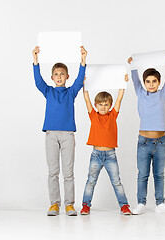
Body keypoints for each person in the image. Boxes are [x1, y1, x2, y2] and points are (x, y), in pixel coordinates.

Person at [32, 45, 87, 216]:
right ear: (52, 77)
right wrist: (35, 60)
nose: (59, 76)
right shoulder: (48, 91)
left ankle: (69, 204)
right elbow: (38, 81)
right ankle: (54, 204)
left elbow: (79, 81)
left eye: (62, 74)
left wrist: (83, 60)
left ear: (67, 76)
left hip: (68, 135)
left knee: (68, 172)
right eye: (56, 74)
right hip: (51, 135)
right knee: (53, 171)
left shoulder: (71, 92)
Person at [127, 52, 165, 214]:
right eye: (148, 81)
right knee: (143, 174)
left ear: (159, 82)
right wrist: (132, 65)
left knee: (159, 174)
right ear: (144, 83)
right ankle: (141, 203)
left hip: (160, 142)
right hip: (144, 141)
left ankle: (160, 203)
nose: (151, 84)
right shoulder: (141, 93)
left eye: (154, 81)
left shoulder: (163, 93)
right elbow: (134, 79)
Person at [80, 75, 131, 215]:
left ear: (110, 105)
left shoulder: (113, 115)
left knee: (116, 182)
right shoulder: (93, 115)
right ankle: (85, 205)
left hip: (110, 155)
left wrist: (122, 84)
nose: (103, 107)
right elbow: (86, 98)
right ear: (96, 106)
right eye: (101, 104)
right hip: (96, 154)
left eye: (106, 104)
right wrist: (85, 85)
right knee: (91, 181)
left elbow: (119, 99)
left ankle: (124, 206)